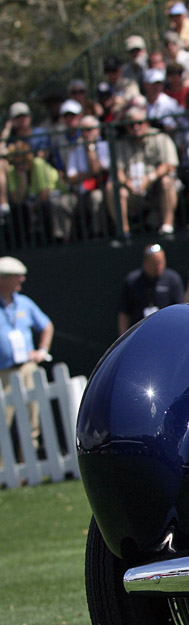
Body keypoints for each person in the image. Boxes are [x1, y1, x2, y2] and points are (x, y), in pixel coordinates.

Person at [0, 257, 54, 455]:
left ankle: (28, 462)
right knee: (2, 423)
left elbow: (46, 326)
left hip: (27, 368)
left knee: (32, 419)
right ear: (3, 279)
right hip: (2, 371)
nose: (22, 279)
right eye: (17, 276)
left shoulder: (24, 303)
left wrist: (42, 350)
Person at [106, 107, 179, 237]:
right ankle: (124, 232)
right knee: (112, 188)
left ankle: (167, 227)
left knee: (167, 181)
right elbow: (117, 169)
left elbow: (170, 164)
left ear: (147, 123)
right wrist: (126, 182)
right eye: (131, 124)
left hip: (155, 188)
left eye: (139, 123)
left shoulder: (160, 137)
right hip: (132, 189)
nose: (136, 127)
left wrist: (150, 177)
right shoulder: (121, 143)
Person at [56, 115, 110, 239]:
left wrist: (91, 149)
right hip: (79, 193)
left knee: (96, 198)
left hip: (100, 190)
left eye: (89, 130)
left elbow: (97, 170)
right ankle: (63, 239)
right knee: (60, 202)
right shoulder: (76, 150)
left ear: (98, 130)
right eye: (83, 131)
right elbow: (71, 177)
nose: (86, 134)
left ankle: (98, 235)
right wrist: (89, 174)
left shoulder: (105, 146)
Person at [118, 243, 184, 335]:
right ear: (145, 263)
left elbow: (180, 311)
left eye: (161, 262)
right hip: (140, 333)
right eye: (154, 264)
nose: (158, 267)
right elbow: (124, 313)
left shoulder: (173, 279)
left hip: (167, 332)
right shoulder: (132, 280)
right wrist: (124, 337)